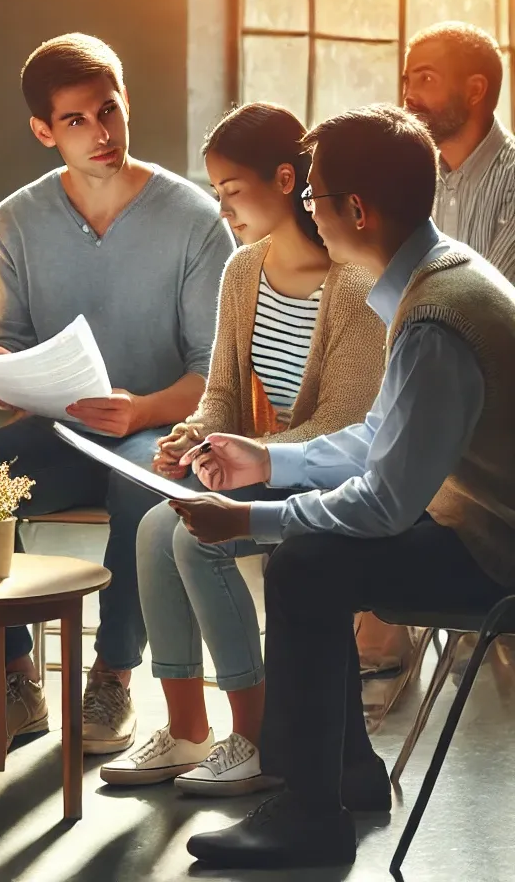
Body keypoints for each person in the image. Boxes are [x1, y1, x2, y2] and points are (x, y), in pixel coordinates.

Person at [175, 105, 515, 869]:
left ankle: (306, 808)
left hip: (497, 552)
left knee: (305, 563)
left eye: (315, 197)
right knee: (314, 551)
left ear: (355, 210)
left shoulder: (434, 320)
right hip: (477, 526)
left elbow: (386, 502)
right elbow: (379, 440)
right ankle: (347, 771)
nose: (308, 213)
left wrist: (249, 524)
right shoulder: (439, 277)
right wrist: (266, 465)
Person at [0, 33, 235, 757]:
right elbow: (3, 335)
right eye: (76, 121)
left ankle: (112, 674)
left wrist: (140, 409)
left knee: (143, 488)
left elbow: (213, 369)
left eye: (108, 110)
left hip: (157, 427)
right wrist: (3, 369)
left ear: (125, 102)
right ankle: (17, 680)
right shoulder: (14, 220)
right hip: (62, 427)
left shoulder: (196, 219)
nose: (101, 133)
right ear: (44, 131)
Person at [100, 104, 383, 792]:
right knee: (152, 525)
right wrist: (191, 437)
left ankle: (256, 738)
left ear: (286, 178)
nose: (222, 207)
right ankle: (188, 731)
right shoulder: (242, 270)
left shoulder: (355, 285)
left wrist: (240, 451)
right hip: (257, 463)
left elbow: (344, 427)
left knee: (193, 536)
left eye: (232, 190)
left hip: (323, 475)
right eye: (216, 191)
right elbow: (222, 393)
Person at [403, 21, 515, 279]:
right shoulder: (410, 179)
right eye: (407, 81)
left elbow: (489, 305)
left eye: (426, 79)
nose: (408, 95)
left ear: (475, 91)